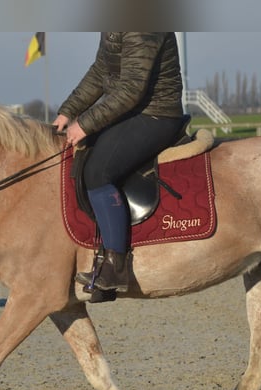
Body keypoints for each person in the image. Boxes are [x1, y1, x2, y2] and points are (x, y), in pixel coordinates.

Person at [53, 32, 185, 294]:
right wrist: (68, 110)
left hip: (156, 114)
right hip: (133, 112)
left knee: (98, 172)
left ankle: (116, 267)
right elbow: (101, 70)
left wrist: (85, 123)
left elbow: (131, 88)